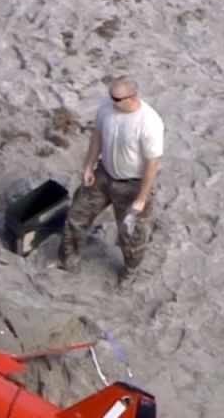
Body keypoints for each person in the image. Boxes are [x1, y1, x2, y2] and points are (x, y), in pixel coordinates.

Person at [58, 75, 164, 283]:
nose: (110, 101)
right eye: (110, 96)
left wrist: (141, 199)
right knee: (76, 215)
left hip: (132, 185)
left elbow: (153, 164)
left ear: (131, 98)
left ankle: (129, 274)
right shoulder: (107, 108)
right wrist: (89, 166)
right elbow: (97, 136)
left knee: (131, 237)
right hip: (104, 175)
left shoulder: (149, 123)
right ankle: (68, 257)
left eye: (116, 99)